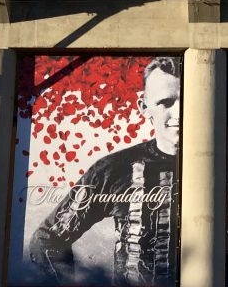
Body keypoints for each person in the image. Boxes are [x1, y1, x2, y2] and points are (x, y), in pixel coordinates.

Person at [30, 56, 181, 286]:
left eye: (188, 101)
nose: (179, 112)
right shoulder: (115, 169)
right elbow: (48, 239)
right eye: (166, 102)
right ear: (144, 106)